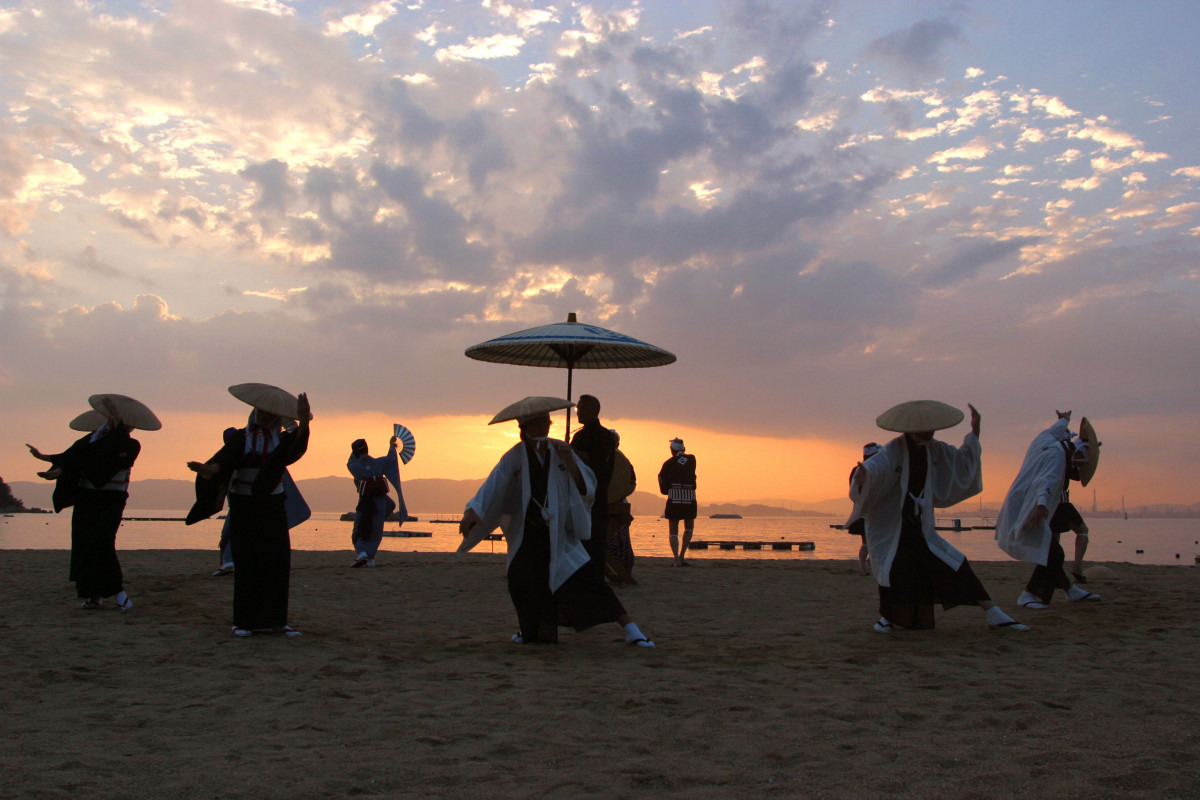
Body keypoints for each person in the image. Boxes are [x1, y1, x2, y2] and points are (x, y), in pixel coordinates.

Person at [458, 396, 654, 647]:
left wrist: (571, 462)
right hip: (529, 533)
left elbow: (587, 488)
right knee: (521, 581)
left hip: (559, 531)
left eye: (546, 422)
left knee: (587, 580)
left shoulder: (561, 450)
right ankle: (533, 631)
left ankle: (631, 629)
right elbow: (495, 482)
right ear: (524, 427)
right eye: (537, 423)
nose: (543, 427)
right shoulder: (515, 455)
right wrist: (474, 511)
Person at [847, 400, 1027, 633]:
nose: (929, 433)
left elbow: (960, 461)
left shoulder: (934, 448)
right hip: (893, 528)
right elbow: (877, 467)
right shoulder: (894, 450)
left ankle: (993, 612)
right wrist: (863, 478)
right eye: (924, 430)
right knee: (894, 573)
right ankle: (887, 619)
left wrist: (974, 434)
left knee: (955, 562)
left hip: (920, 528)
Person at [187, 383, 311, 637]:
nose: (265, 416)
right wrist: (210, 470)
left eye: (270, 413)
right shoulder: (241, 438)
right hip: (244, 504)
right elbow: (224, 458)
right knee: (247, 562)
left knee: (277, 561)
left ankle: (278, 620)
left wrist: (304, 422)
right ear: (254, 411)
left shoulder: (280, 439)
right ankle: (243, 621)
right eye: (261, 411)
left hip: (273, 503)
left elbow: (297, 447)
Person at [27, 394, 160, 610]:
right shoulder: (91, 440)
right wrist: (46, 459)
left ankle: (118, 592)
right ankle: (93, 594)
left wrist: (116, 416)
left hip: (111, 500)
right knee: (84, 544)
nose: (113, 423)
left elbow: (101, 460)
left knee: (103, 543)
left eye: (118, 422)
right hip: (87, 497)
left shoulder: (130, 445)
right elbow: (71, 457)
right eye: (110, 420)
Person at [995, 410, 1102, 609]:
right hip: (1030, 505)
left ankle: (1070, 590)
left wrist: (1064, 419)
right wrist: (1042, 506)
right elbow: (1048, 481)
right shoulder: (1058, 457)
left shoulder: (1045, 439)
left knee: (1050, 550)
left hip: (1022, 501)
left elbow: (1055, 430)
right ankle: (1028, 594)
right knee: (1054, 553)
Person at [569, 394, 616, 578]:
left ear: (594, 411)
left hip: (595, 496)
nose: (578, 413)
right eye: (577, 409)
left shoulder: (604, 436)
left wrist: (571, 452)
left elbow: (597, 464)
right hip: (577, 496)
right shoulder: (579, 435)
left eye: (582, 409)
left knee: (594, 542)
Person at [347, 435, 406, 567]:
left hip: (366, 503)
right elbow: (391, 458)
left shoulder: (355, 467)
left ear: (356, 452)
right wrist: (391, 444)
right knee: (376, 530)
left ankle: (362, 552)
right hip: (380, 502)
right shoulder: (379, 463)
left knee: (360, 529)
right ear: (367, 449)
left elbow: (349, 463)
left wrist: (354, 453)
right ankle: (371, 559)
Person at [605, 429, 637, 584]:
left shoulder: (618, 460)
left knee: (613, 538)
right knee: (619, 538)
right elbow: (632, 484)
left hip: (610, 503)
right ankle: (621, 569)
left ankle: (618, 569)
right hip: (617, 502)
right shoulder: (622, 459)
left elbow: (630, 483)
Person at [658, 438, 697, 566]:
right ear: (684, 449)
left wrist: (666, 489)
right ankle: (682, 555)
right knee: (689, 527)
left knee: (673, 529)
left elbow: (662, 479)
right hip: (689, 497)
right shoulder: (692, 460)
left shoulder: (668, 463)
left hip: (674, 497)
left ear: (671, 450)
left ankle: (675, 558)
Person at [846, 443, 881, 576]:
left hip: (861, 509)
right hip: (870, 510)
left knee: (867, 541)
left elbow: (853, 493)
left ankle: (863, 567)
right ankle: (866, 565)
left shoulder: (857, 470)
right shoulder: (870, 469)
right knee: (872, 540)